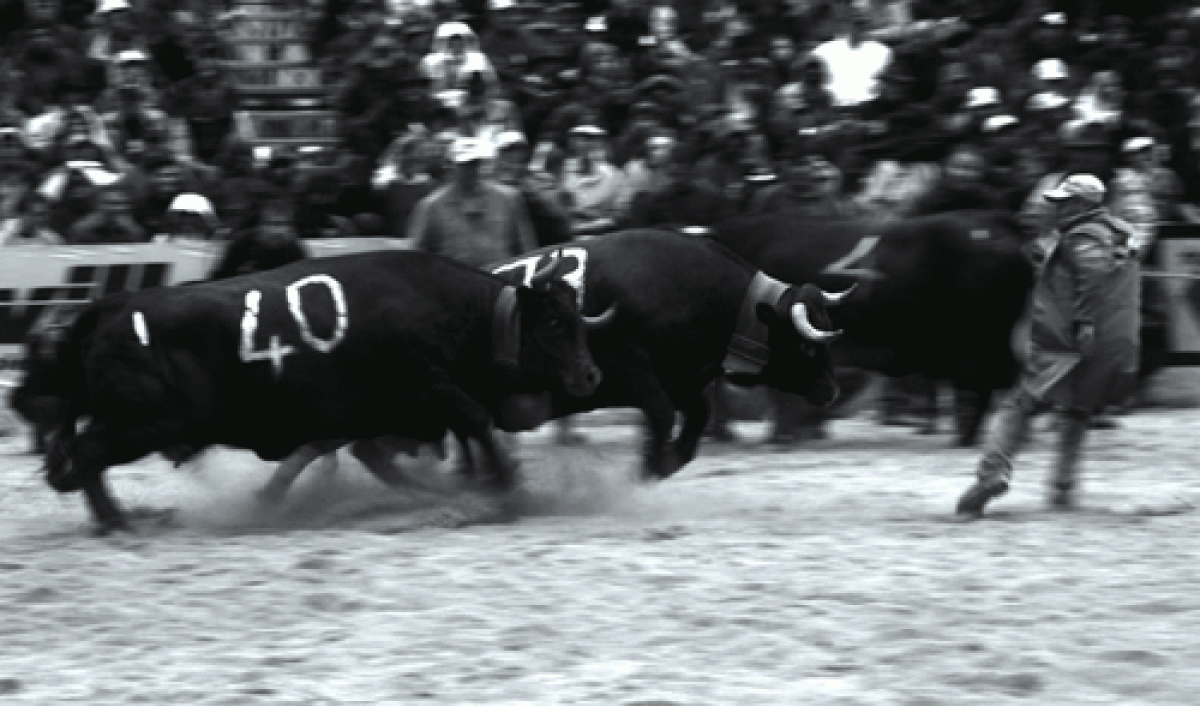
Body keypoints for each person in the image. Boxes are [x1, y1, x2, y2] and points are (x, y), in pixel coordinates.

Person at [956, 174, 1141, 516]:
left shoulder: (1084, 236)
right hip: (1110, 343)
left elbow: (1092, 271)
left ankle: (992, 474)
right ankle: (1062, 488)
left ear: (1084, 205)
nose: (1056, 208)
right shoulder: (1120, 234)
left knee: (1018, 406)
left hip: (1071, 340)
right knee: (1077, 411)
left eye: (1064, 202)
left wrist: (1084, 321)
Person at [407, 136, 535, 268]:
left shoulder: (508, 199)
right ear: (449, 165)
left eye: (475, 163)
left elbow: (526, 248)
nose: (470, 170)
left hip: (500, 279)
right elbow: (416, 255)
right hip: (455, 282)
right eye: (464, 165)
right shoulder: (431, 206)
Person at [209, 199, 310, 280]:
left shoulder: (294, 249)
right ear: (260, 226)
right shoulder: (242, 243)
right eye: (274, 224)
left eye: (285, 224)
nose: (279, 231)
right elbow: (220, 277)